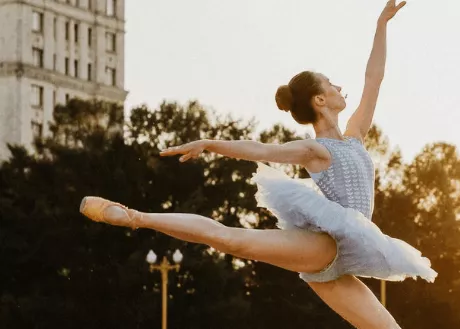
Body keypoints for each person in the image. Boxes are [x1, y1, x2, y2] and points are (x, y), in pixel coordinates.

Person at [79, 1, 436, 328]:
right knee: (233, 240)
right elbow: (261, 151)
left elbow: (373, 80)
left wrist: (382, 24)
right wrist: (210, 144)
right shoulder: (316, 149)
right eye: (331, 84)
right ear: (320, 99)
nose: (341, 87)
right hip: (324, 246)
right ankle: (133, 217)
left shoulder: (356, 135)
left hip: (349, 255)